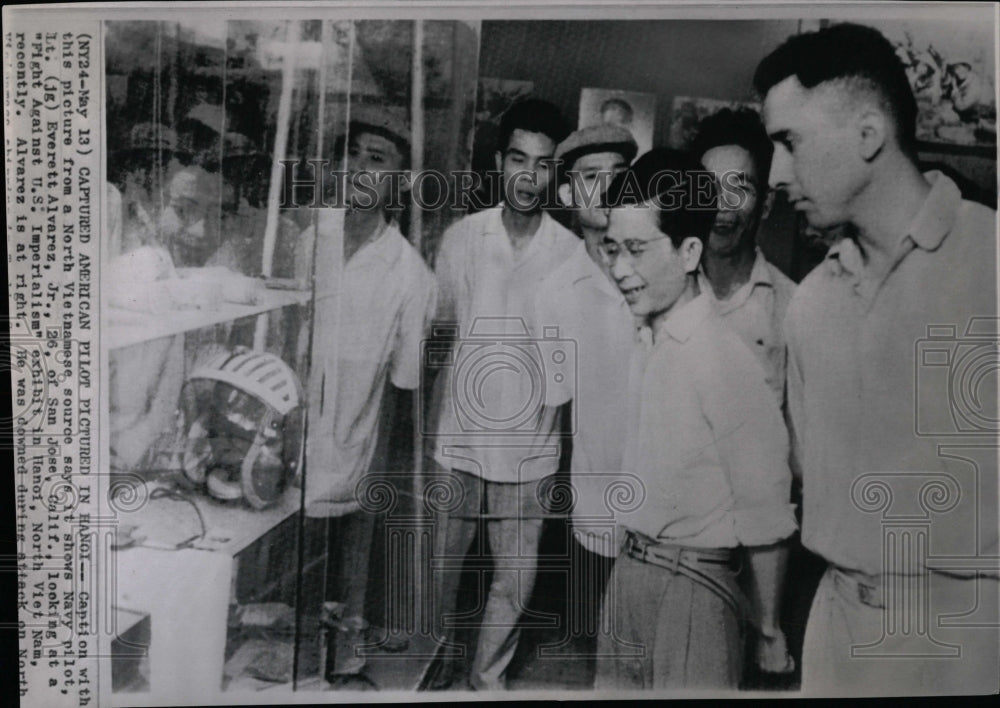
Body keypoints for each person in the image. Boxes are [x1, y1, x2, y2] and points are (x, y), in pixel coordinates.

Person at [754, 22, 998, 696]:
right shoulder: (809, 304)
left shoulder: (992, 261)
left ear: (867, 135)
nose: (775, 174)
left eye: (788, 143)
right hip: (837, 627)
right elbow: (808, 469)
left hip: (968, 634)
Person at [596, 148, 797, 690]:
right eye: (611, 248)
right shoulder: (646, 335)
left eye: (636, 249)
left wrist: (770, 630)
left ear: (689, 251)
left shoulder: (722, 358)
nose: (619, 268)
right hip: (630, 573)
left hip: (694, 588)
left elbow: (766, 506)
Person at [428, 98, 575, 691]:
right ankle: (428, 670)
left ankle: (485, 682)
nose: (528, 176)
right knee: (438, 572)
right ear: (499, 161)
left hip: (531, 450)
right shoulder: (462, 238)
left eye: (543, 165)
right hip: (458, 443)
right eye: (519, 159)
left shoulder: (571, 253)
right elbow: (439, 335)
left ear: (554, 174)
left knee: (512, 584)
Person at [300, 106, 438, 689]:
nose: (357, 167)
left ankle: (342, 654)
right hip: (279, 434)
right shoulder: (310, 237)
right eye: (350, 153)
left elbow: (402, 389)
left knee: (338, 575)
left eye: (375, 159)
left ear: (400, 182)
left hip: (350, 449)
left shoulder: (412, 277)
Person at [533, 124, 638, 659]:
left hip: (668, 502)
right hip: (594, 507)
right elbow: (554, 408)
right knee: (597, 649)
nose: (606, 189)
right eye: (591, 178)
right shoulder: (556, 290)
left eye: (618, 177)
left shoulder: (659, 267)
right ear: (570, 193)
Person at [690, 108, 796, 402]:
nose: (722, 205)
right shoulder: (662, 290)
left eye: (740, 188)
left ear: (765, 204)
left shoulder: (794, 308)